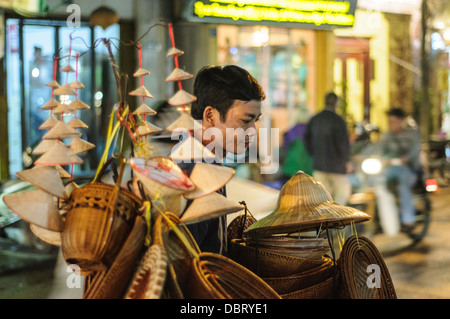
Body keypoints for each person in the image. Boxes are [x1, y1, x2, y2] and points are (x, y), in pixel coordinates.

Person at [176, 65, 265, 255]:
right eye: (245, 120)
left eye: (255, 120)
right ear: (210, 116)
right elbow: (189, 259)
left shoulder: (196, 156)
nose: (252, 131)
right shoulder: (198, 169)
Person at [375, 107, 422, 232]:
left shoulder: (413, 134)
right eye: (390, 122)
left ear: (402, 121)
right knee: (377, 183)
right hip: (391, 169)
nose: (392, 125)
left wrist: (405, 159)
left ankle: (408, 220)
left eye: (394, 121)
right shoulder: (388, 136)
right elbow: (378, 148)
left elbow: (414, 152)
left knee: (403, 186)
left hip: (409, 170)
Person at [304, 92, 352, 205]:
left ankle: (326, 219)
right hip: (336, 165)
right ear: (336, 104)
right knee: (343, 191)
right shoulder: (338, 120)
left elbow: (307, 139)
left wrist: (313, 154)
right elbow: (343, 143)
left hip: (319, 164)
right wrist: (347, 161)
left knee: (323, 196)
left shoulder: (314, 119)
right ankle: (337, 217)